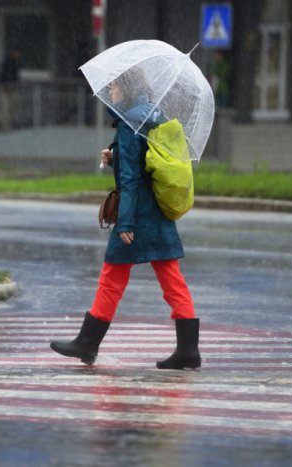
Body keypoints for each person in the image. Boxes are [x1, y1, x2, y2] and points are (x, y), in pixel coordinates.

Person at [49, 68, 201, 370]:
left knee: (111, 279)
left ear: (127, 90)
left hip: (138, 215)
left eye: (116, 86)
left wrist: (127, 224)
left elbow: (131, 181)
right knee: (172, 281)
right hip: (157, 214)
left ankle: (87, 342)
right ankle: (188, 350)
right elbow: (146, 163)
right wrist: (115, 155)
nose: (112, 91)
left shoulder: (129, 125)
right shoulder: (152, 115)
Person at [0, 48, 21, 130]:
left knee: (13, 105)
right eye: (17, 53)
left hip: (12, 88)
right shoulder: (7, 62)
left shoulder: (16, 63)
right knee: (5, 106)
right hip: (4, 88)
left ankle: (7, 122)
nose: (18, 55)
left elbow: (15, 76)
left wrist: (15, 84)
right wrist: (6, 86)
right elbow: (3, 76)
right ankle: (4, 125)